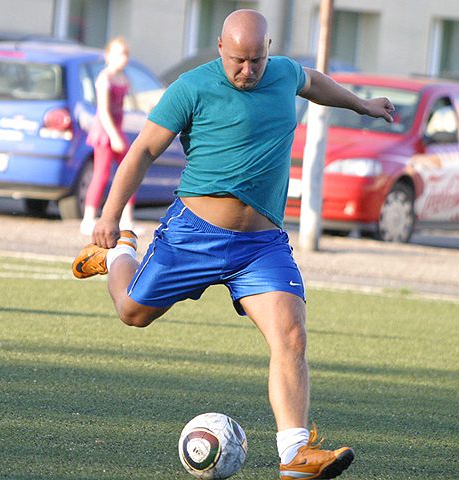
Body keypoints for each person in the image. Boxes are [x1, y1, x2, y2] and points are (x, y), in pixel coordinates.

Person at [72, 10, 394, 479]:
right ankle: (121, 250)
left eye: (256, 61)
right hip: (193, 237)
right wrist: (108, 216)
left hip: (261, 246)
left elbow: (314, 82)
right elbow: (142, 151)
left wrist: (361, 105)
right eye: (238, 60)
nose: (247, 70)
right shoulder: (191, 87)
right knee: (132, 313)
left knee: (291, 335)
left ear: (269, 51)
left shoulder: (283, 73)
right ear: (221, 46)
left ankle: (295, 454)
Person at [80, 37, 138, 236]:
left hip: (117, 131)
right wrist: (113, 136)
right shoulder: (104, 78)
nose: (123, 58)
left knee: (131, 171)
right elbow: (103, 111)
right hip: (105, 133)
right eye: (118, 54)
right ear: (108, 56)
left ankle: (127, 219)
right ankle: (88, 218)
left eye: (125, 54)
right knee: (101, 174)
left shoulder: (123, 78)